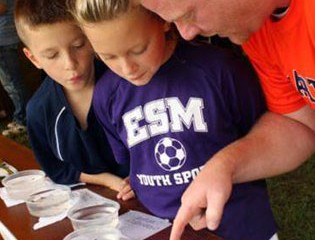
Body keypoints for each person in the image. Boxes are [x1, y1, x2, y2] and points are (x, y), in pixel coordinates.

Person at [69, 1, 279, 239]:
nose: (127, 68)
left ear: (164, 20)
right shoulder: (107, 94)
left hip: (239, 225)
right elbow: (132, 157)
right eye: (108, 57)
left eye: (138, 49)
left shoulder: (221, 70)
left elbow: (261, 136)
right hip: (160, 227)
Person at [138, 0, 315, 239]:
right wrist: (225, 166)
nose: (187, 34)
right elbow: (300, 123)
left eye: (188, 14)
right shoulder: (257, 26)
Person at [13, 0, 134, 199]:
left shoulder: (127, 84)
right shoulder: (39, 110)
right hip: (92, 202)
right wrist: (106, 179)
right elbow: (56, 168)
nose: (70, 64)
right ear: (33, 58)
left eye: (78, 45)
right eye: (52, 55)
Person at [0, 0, 27, 136]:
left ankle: (22, 120)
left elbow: (1, 7)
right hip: (7, 37)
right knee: (13, 83)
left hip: (3, 39)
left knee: (12, 84)